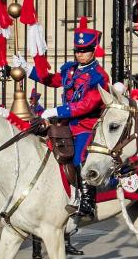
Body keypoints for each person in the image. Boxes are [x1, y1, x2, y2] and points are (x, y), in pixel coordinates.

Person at [12, 16, 109, 218]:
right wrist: (28, 68)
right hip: (66, 125)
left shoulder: (99, 76)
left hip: (86, 125)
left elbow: (87, 104)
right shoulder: (71, 70)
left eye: (85, 51)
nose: (81, 55)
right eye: (78, 51)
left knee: (80, 158)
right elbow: (52, 79)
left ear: (93, 51)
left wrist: (56, 111)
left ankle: (87, 201)